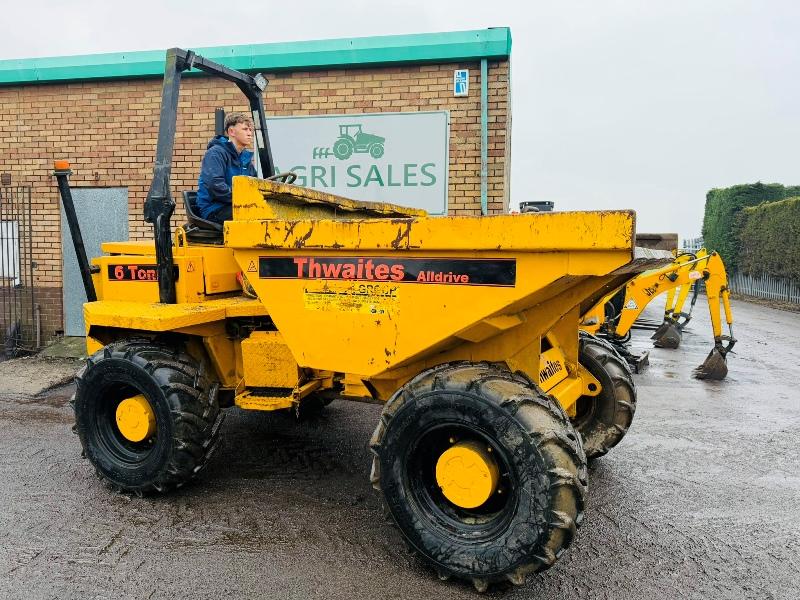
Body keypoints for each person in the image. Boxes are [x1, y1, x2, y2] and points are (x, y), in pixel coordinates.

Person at [195, 112, 257, 223]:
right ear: (231, 132)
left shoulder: (245, 158)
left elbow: (254, 185)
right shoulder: (215, 154)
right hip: (214, 209)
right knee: (255, 215)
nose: (249, 133)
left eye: (250, 130)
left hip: (237, 206)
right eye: (245, 129)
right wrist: (243, 200)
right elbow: (215, 185)